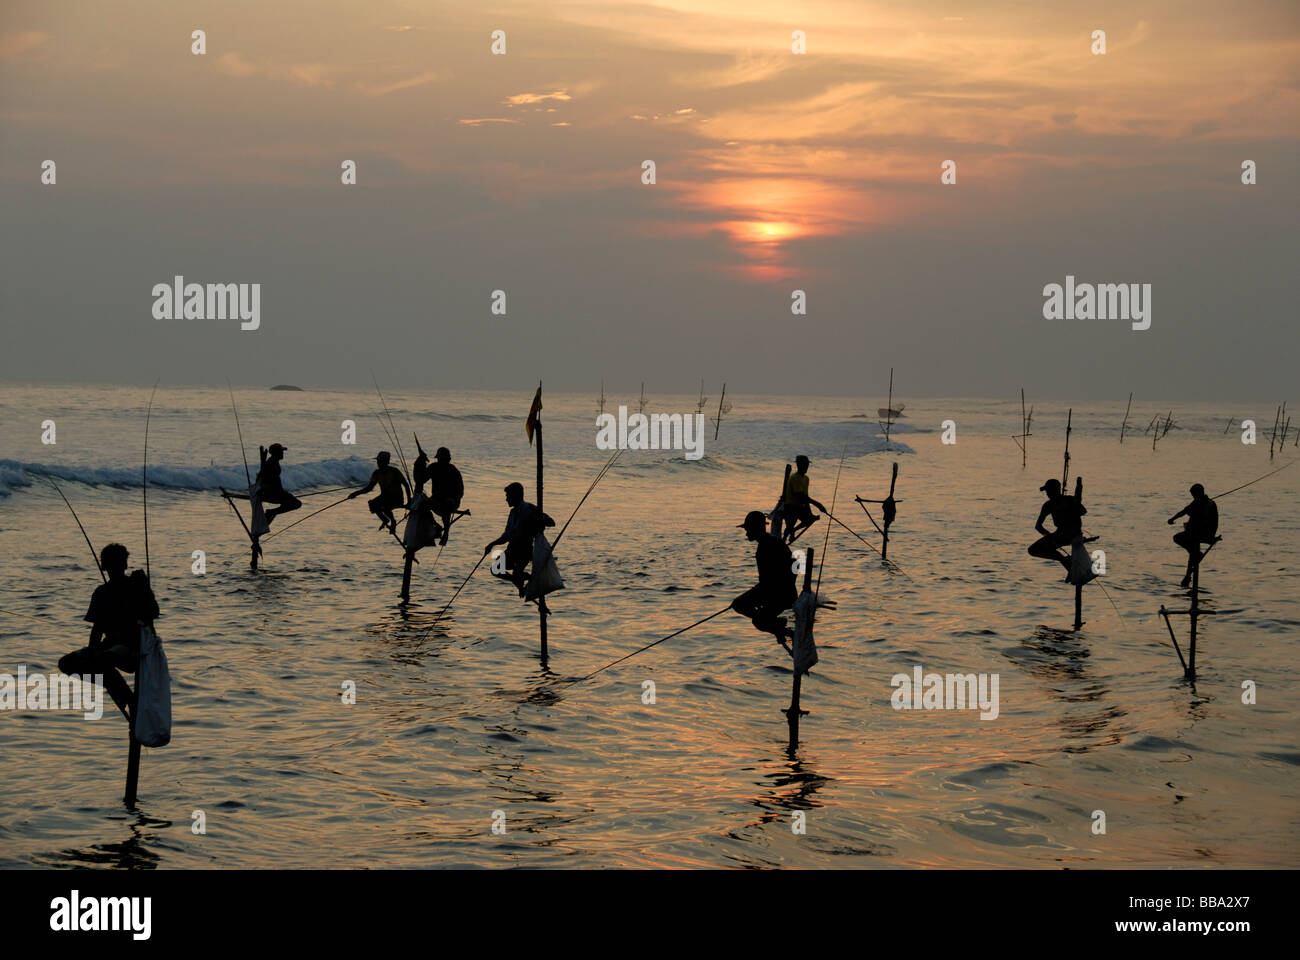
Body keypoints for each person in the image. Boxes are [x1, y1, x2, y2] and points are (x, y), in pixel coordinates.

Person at [58, 543, 159, 723]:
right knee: (66, 663)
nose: (115, 567)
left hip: (133, 646)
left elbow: (153, 613)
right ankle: (125, 695)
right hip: (109, 646)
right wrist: (91, 650)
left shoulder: (136, 586)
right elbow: (97, 629)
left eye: (119, 563)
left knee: (103, 659)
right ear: (105, 567)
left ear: (125, 565)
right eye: (111, 564)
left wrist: (145, 588)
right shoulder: (101, 592)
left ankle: (126, 698)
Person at [732, 510, 797, 649]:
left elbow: (767, 584)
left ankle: (778, 626)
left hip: (780, 595)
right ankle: (778, 627)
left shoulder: (766, 547)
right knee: (748, 611)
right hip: (783, 592)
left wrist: (760, 599)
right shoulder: (772, 542)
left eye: (748, 529)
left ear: (756, 528)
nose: (746, 533)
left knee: (745, 610)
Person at [483, 482, 554, 598]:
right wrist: (492, 544)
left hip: (524, 550)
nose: (506, 499)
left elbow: (551, 522)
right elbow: (506, 536)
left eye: (508, 496)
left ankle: (524, 579)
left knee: (517, 573)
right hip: (512, 549)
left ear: (516, 496)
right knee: (495, 569)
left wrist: (540, 520)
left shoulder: (530, 509)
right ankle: (519, 581)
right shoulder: (512, 513)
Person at [1028, 478, 1086, 571]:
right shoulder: (1048, 505)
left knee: (1036, 549)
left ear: (1055, 491)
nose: (1047, 494)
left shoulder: (1070, 500)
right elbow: (1038, 526)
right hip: (1060, 535)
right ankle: (1065, 561)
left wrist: (1072, 506)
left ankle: (1067, 563)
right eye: (1046, 491)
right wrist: (1048, 535)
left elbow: (1082, 511)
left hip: (1074, 534)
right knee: (1033, 550)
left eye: (1048, 491)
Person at [1168, 483, 1219, 587]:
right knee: (1193, 552)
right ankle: (1188, 576)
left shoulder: (1202, 503)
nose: (1193, 497)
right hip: (1206, 534)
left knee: (1177, 538)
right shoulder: (1207, 503)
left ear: (1197, 493)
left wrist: (1172, 519)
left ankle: (1188, 575)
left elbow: (1184, 512)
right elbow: (1187, 511)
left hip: (1200, 534)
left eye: (1193, 495)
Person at [348, 451, 411, 533]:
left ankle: (392, 521)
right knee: (372, 504)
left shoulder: (394, 471)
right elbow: (369, 488)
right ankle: (385, 520)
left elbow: (406, 485)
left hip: (396, 498)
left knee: (385, 506)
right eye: (378, 461)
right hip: (384, 497)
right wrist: (355, 494)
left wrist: (409, 501)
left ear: (386, 462)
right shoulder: (377, 473)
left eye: (380, 461)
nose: (378, 463)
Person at [781, 455, 828, 543]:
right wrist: (818, 504)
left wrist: (811, 513)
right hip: (790, 506)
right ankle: (783, 541)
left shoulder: (806, 479)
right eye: (804, 465)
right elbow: (800, 496)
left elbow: (805, 498)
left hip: (800, 506)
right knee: (789, 526)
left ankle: (793, 531)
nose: (806, 467)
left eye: (807, 465)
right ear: (799, 465)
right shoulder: (794, 478)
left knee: (810, 520)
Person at [256, 442, 301, 524]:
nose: (282, 453)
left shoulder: (272, 461)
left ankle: (271, 513)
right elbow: (273, 482)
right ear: (276, 453)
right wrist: (284, 495)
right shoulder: (273, 464)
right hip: (272, 493)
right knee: (297, 504)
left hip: (272, 492)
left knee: (289, 503)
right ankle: (271, 512)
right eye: (281, 452)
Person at [427, 447, 464, 545]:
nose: (441, 461)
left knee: (446, 507)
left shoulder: (453, 470)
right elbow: (421, 479)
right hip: (436, 499)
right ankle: (436, 525)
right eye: (440, 459)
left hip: (451, 501)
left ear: (448, 460)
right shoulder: (433, 467)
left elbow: (460, 490)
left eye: (443, 459)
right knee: (422, 504)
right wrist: (419, 464)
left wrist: (454, 499)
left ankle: (446, 533)